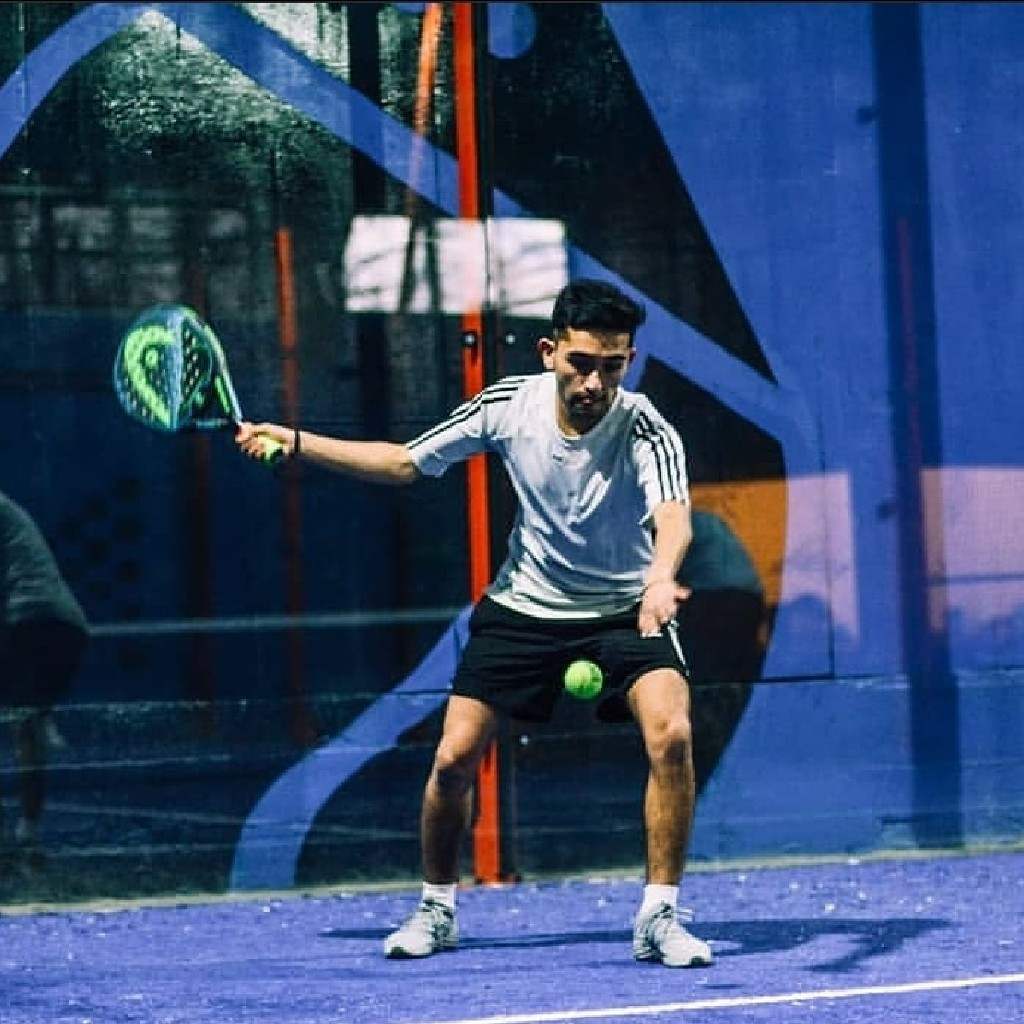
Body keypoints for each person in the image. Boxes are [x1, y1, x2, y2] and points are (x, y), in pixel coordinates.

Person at [237, 278, 712, 968]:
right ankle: (436, 907)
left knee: (672, 736)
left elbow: (673, 515)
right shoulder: (508, 405)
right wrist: (299, 441)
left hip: (624, 607)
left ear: (628, 362)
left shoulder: (646, 427)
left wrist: (662, 577)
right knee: (452, 759)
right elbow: (405, 462)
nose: (594, 382)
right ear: (549, 352)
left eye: (612, 367)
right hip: (524, 606)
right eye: (581, 363)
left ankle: (658, 916)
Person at [0, 490, 88, 854]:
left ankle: (39, 713)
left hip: (30, 620)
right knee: (28, 724)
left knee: (24, 726)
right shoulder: (10, 515)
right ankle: (43, 711)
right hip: (69, 626)